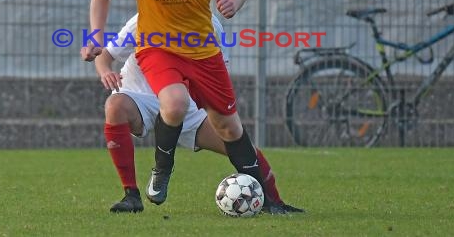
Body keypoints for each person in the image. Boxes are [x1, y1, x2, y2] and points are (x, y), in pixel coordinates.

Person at [82, 0, 274, 210]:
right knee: (171, 101)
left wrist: (234, 0)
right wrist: (95, 37)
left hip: (201, 57)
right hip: (158, 55)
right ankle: (155, 177)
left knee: (232, 129)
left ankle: (274, 201)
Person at [86, 13, 304, 214]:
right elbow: (105, 55)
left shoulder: (212, 26)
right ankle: (131, 196)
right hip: (139, 96)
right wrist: (106, 72)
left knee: (243, 146)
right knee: (115, 106)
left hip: (187, 107)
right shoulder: (145, 18)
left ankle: (274, 203)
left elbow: (218, 76)